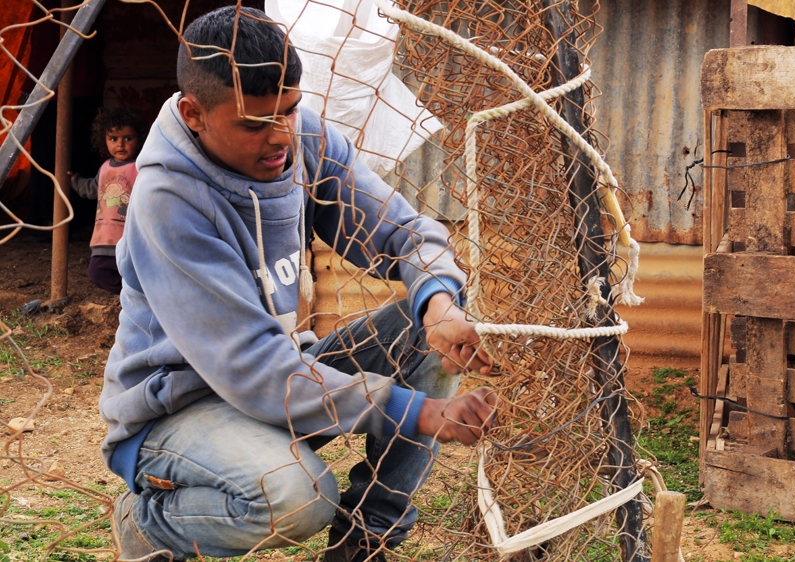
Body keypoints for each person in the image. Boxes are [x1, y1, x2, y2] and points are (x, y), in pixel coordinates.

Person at [99, 6, 496, 562]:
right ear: (194, 114)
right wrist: (418, 412)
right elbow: (253, 366)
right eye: (254, 123)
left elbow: (404, 232)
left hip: (277, 377)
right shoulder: (168, 200)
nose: (281, 136)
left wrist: (439, 305)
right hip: (177, 411)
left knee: (429, 317)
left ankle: (365, 542)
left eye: (289, 109)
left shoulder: (302, 137)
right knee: (298, 498)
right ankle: (148, 526)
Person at [68, 106, 146, 293]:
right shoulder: (105, 168)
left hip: (130, 237)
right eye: (113, 139)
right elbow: (93, 188)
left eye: (128, 138)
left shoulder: (140, 168)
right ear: (104, 140)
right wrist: (74, 181)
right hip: (104, 236)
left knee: (133, 272)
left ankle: (136, 298)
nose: (120, 144)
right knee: (97, 273)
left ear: (139, 139)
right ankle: (130, 295)